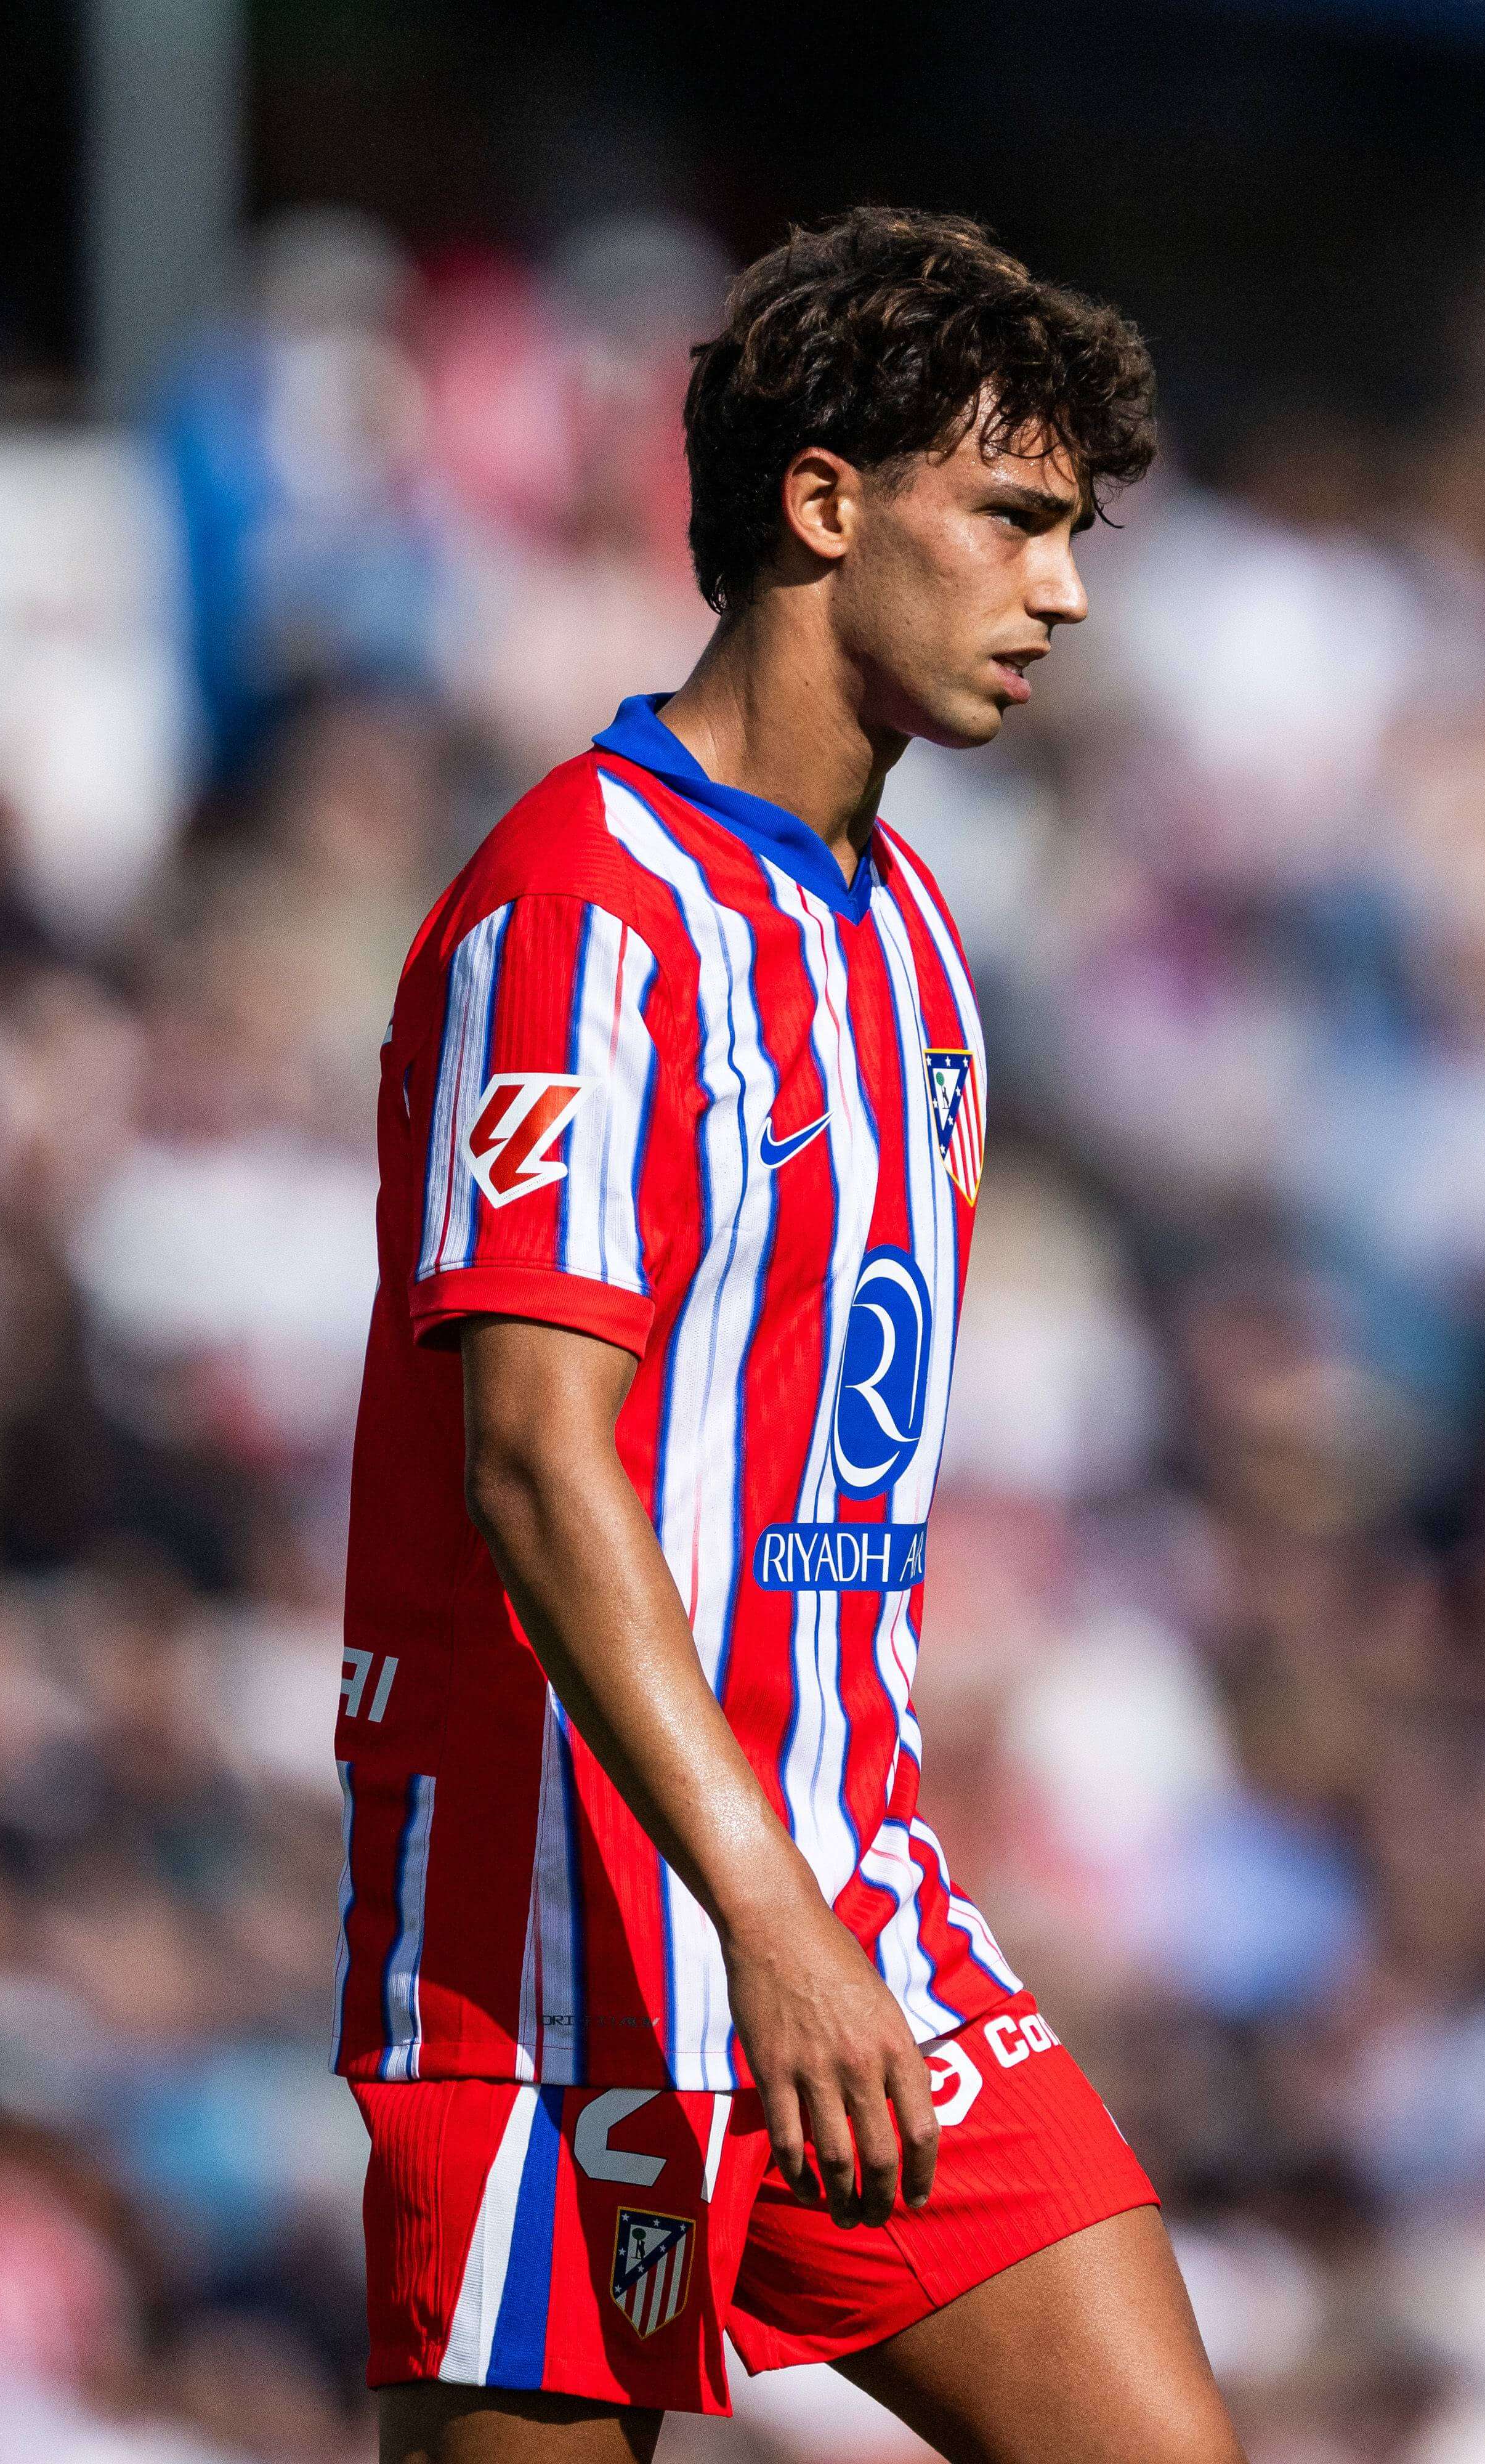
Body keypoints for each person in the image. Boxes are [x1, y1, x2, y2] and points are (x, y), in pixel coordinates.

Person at [331, 207, 1245, 2464]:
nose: (1068, 590)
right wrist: (758, 1910)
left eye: (1076, 532)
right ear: (825, 508)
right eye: (1016, 521)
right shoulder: (581, 906)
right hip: (566, 1952)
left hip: (859, 1923)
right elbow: (540, 1463)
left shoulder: (915, 931)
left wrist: (820, 1907)